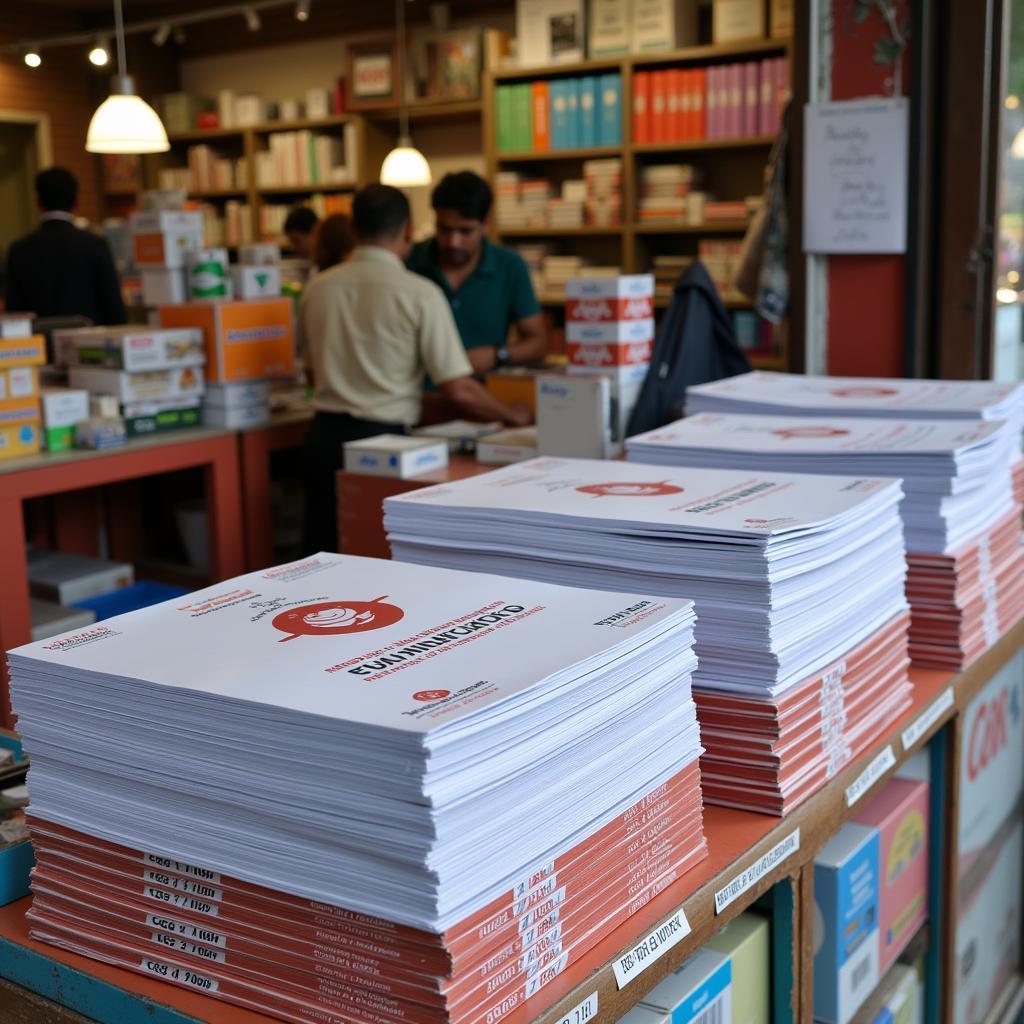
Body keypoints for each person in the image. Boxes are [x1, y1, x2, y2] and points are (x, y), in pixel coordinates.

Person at [298, 183, 532, 555]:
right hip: (385, 446)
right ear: (408, 230)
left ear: (354, 229)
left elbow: (311, 373)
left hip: (322, 438)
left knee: (321, 554)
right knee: (375, 557)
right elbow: (460, 388)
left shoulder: (316, 288)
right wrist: (514, 417)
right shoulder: (419, 292)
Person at [408, 171, 547, 375]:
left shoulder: (509, 265)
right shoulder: (411, 259)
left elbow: (539, 343)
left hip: (482, 394)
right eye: (444, 229)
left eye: (465, 231)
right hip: (419, 397)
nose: (453, 241)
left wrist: (497, 355)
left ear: (486, 224)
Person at [5, 167, 125, 325]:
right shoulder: (95, 244)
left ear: (38, 202)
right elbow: (113, 306)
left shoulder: (18, 250)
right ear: (77, 201)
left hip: (39, 344)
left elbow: (14, 314)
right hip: (90, 343)